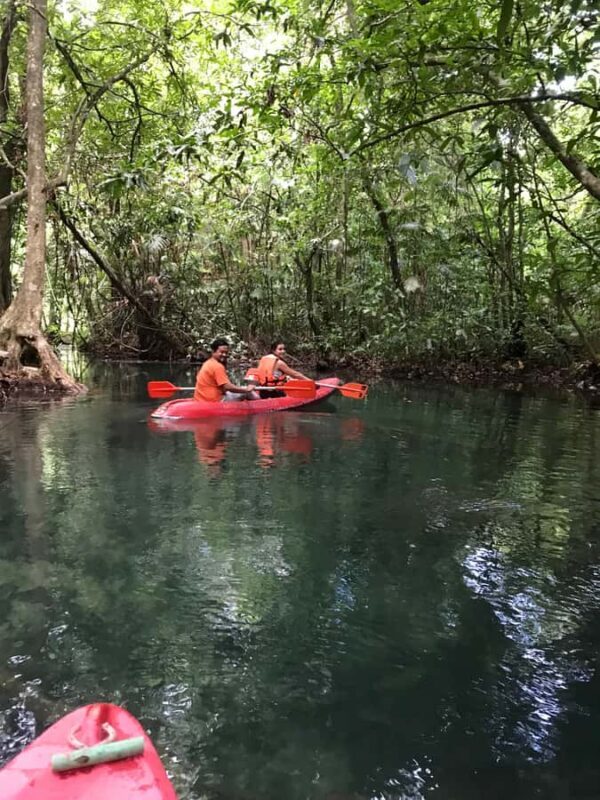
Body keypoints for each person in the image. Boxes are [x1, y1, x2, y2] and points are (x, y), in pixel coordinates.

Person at [194, 338, 258, 402]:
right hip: (216, 400)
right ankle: (260, 403)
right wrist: (247, 390)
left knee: (238, 390)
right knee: (250, 393)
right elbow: (228, 387)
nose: (224, 355)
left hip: (202, 399)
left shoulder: (207, 363)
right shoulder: (217, 366)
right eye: (221, 352)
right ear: (213, 351)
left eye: (226, 352)